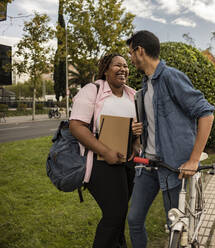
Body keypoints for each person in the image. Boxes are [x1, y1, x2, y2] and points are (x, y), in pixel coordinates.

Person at [126, 30, 215, 247]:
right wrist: (141, 128)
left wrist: (194, 160)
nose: (130, 58)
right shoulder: (146, 85)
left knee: (175, 227)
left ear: (140, 51)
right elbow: (158, 122)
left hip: (174, 167)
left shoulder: (170, 77)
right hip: (148, 165)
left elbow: (206, 113)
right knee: (134, 219)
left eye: (130, 53)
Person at [69, 53, 142, 248]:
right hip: (99, 160)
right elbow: (76, 126)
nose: (123, 69)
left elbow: (138, 128)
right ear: (105, 69)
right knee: (114, 213)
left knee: (120, 214)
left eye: (126, 66)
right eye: (117, 65)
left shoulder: (133, 95)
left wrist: (136, 137)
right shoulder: (91, 91)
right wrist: (107, 151)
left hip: (127, 161)